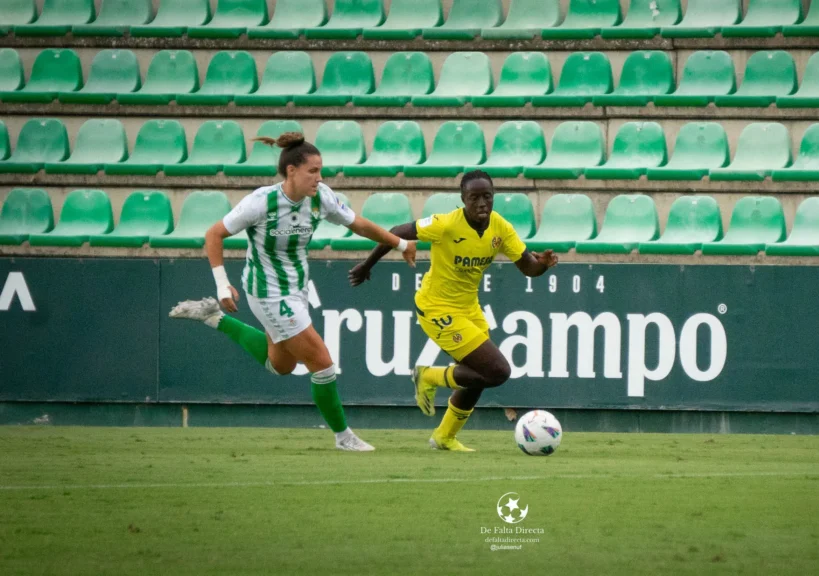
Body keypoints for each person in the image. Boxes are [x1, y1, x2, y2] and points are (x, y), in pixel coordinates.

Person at [169, 132, 417, 451]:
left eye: (320, 170)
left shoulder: (320, 196)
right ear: (291, 171)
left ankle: (213, 318)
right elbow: (214, 234)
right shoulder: (261, 202)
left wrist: (400, 243)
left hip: (296, 288)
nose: (319, 177)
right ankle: (343, 436)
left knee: (281, 366)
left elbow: (358, 224)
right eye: (312, 171)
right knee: (322, 362)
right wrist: (221, 282)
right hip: (267, 291)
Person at [348, 170, 558, 451]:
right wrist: (367, 264)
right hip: (436, 308)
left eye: (487, 196)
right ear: (463, 199)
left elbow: (528, 267)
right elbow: (398, 232)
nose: (482, 203)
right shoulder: (445, 224)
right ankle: (428, 376)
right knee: (498, 371)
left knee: (480, 376)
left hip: (468, 308)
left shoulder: (501, 229)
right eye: (475, 198)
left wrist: (543, 263)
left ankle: (444, 437)